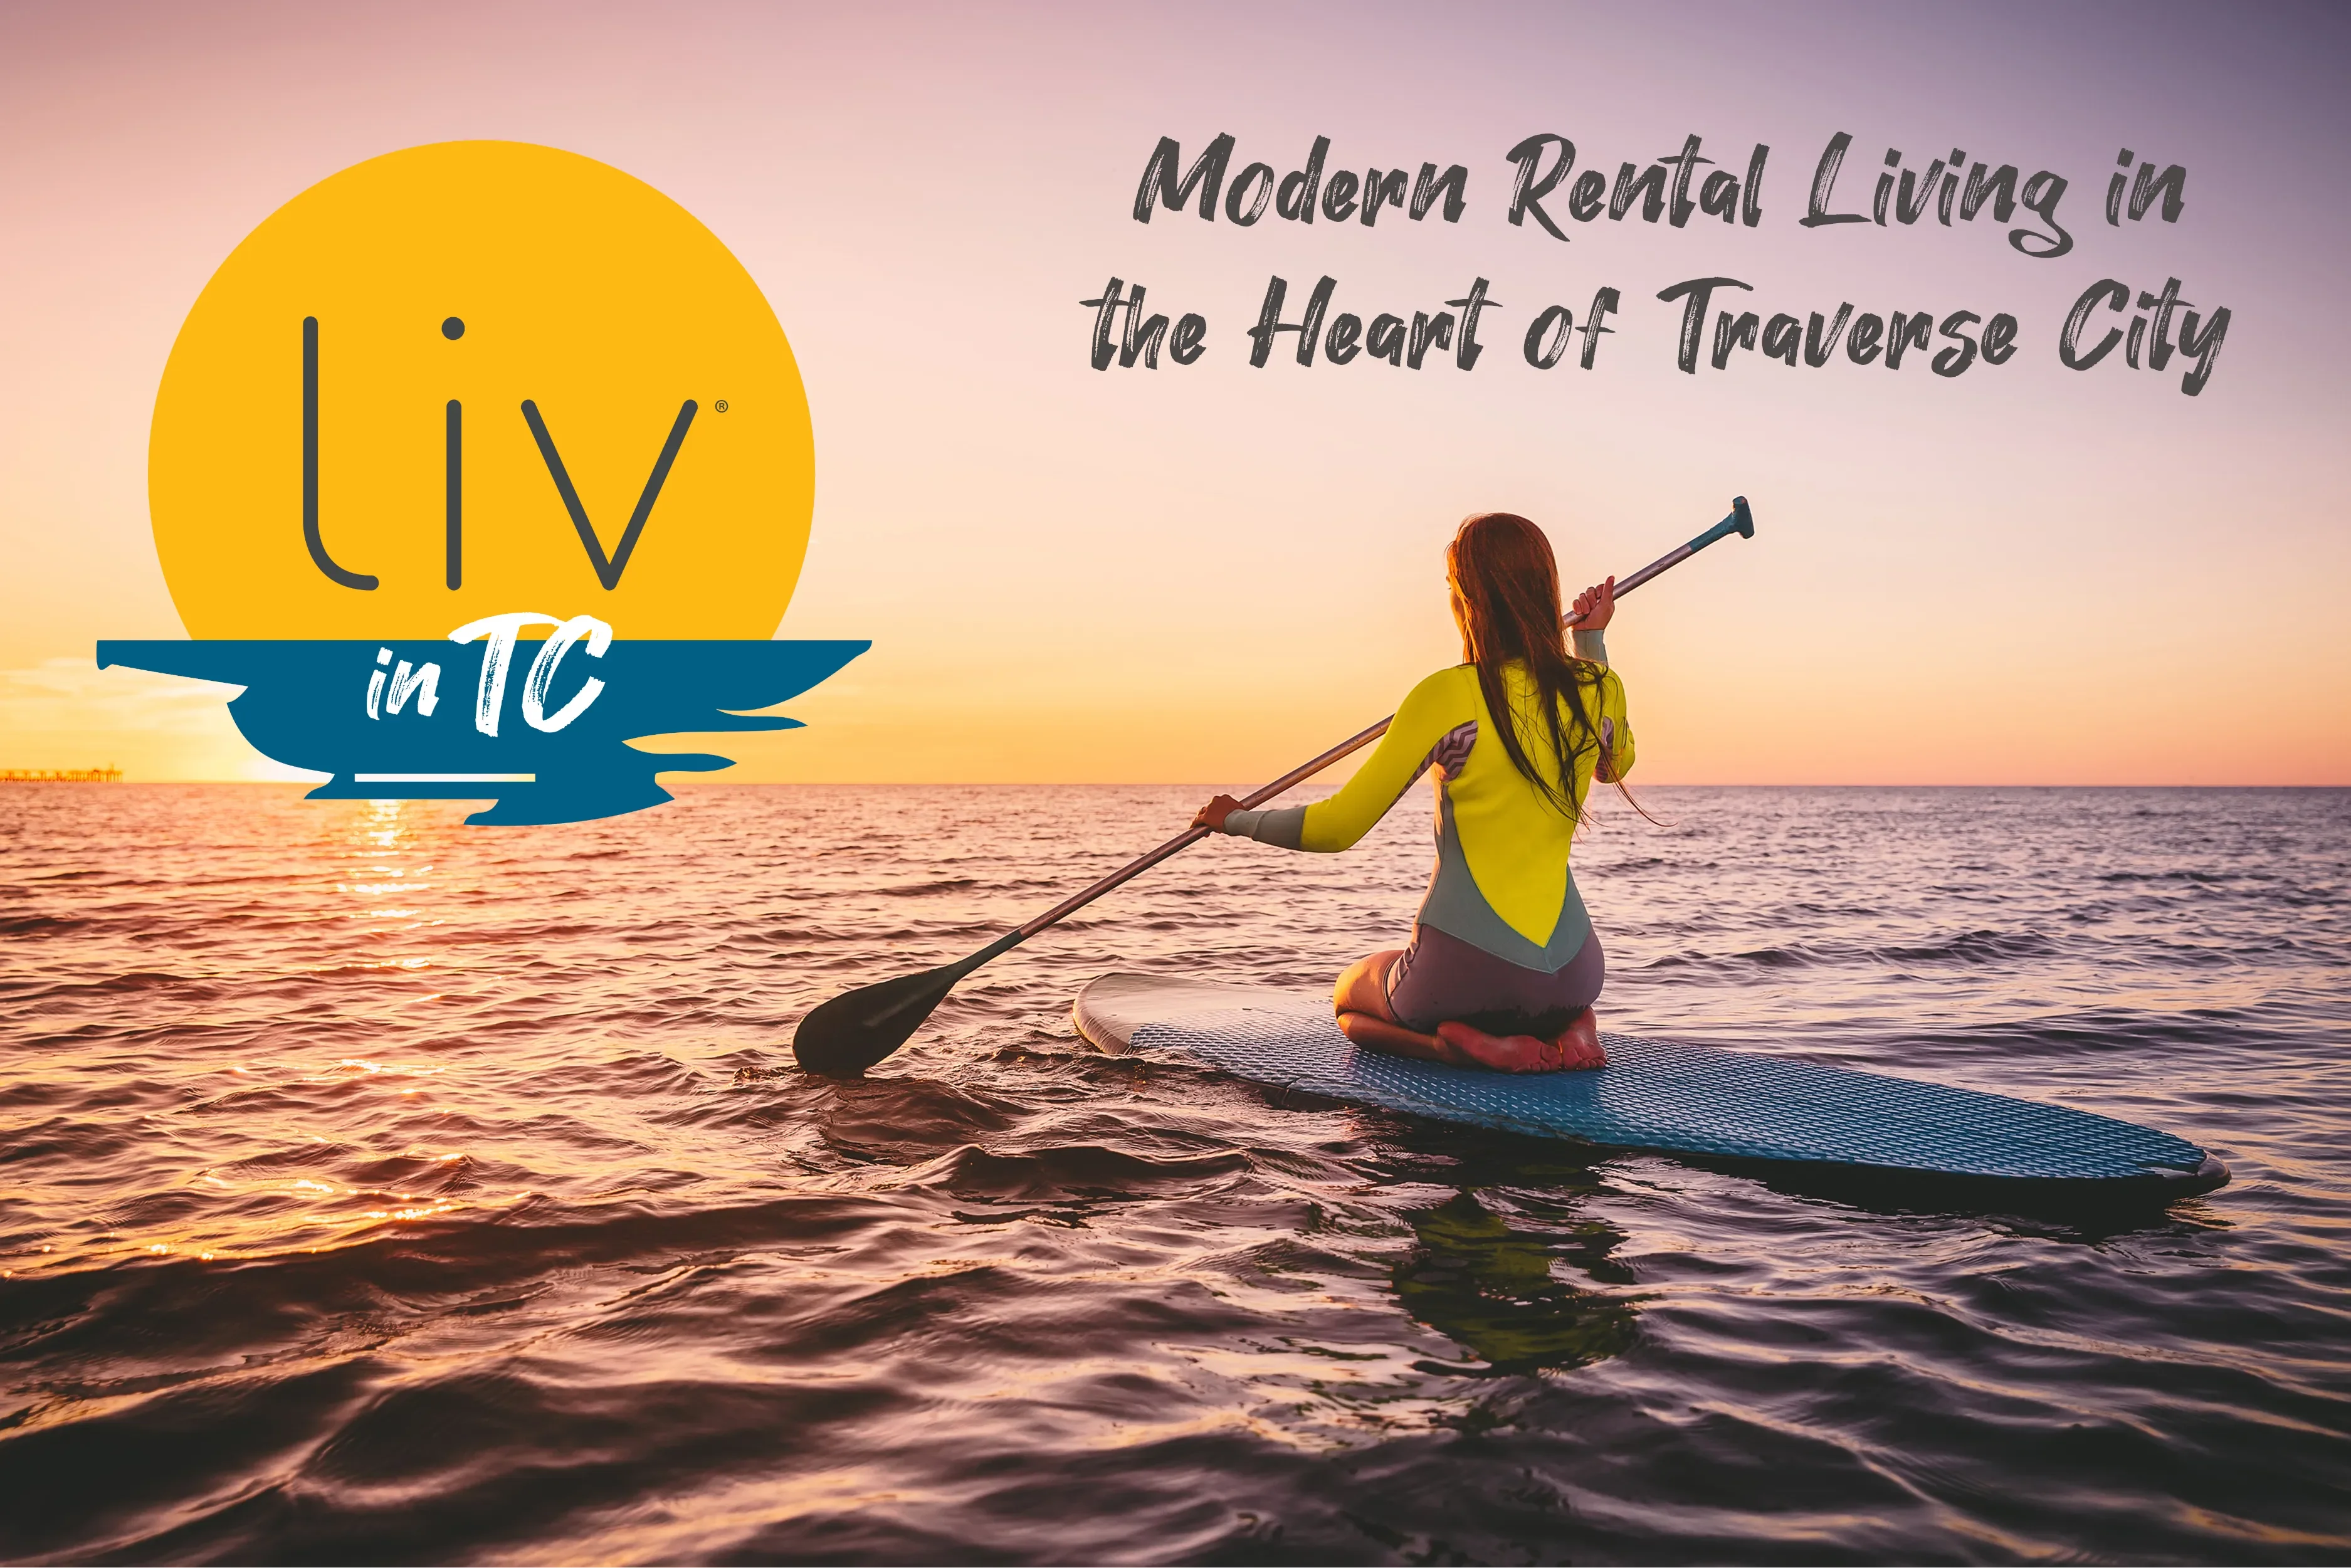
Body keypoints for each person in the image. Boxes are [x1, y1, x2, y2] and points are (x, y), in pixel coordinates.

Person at [1191, 512, 1638, 1074]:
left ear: (1468, 599)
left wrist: (1238, 820)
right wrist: (1591, 643)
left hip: (1464, 975)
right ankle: (1573, 1023)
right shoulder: (1597, 686)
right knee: (1538, 991)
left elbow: (1338, 828)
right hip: (1578, 972)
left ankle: (1462, 1046)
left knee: (1350, 999)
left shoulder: (1445, 695)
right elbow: (1614, 764)